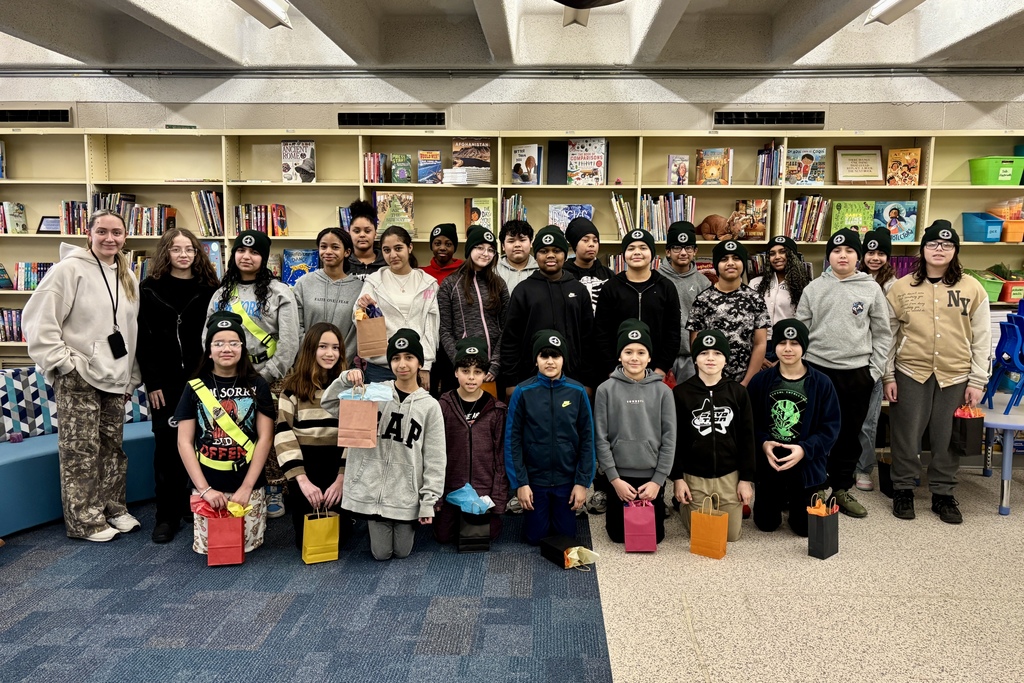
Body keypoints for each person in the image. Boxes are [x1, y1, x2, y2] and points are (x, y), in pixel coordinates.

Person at [22, 209, 143, 542]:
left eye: (116, 232)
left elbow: (130, 330)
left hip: (116, 378)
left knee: (112, 449)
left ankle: (113, 509)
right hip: (80, 376)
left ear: (125, 237)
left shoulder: (127, 275)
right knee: (80, 451)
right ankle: (85, 522)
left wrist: (132, 377)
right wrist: (64, 363)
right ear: (88, 233)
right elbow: (38, 321)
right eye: (102, 231)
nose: (109, 238)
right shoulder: (68, 270)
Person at [885, 220, 991, 524]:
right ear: (923, 249)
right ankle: (903, 488)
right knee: (906, 434)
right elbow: (889, 335)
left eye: (946, 245)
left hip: (955, 374)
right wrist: (888, 375)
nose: (939, 249)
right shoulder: (902, 287)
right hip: (910, 371)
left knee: (947, 437)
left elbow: (982, 337)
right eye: (933, 244)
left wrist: (978, 379)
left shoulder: (972, 287)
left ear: (955, 250)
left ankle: (943, 493)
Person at [321, 329, 447, 560]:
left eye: (409, 357)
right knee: (381, 553)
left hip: (405, 494)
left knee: (402, 551)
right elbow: (329, 403)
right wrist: (343, 380)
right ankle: (377, 518)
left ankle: (400, 519)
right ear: (389, 363)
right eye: (396, 358)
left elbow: (436, 459)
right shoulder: (373, 393)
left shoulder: (430, 406)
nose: (402, 364)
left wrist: (428, 501)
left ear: (420, 362)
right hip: (372, 491)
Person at [795, 228, 892, 519]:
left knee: (849, 435)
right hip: (817, 372)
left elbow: (883, 333)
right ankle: (814, 486)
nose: (842, 255)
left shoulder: (870, 288)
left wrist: (874, 371)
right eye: (836, 251)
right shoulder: (814, 288)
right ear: (829, 257)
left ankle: (840, 488)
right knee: (813, 431)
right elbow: (801, 331)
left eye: (849, 251)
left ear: (857, 257)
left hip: (856, 373)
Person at [207, 229, 299, 519]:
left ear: (264, 258)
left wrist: (267, 374)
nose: (247, 257)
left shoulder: (281, 292)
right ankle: (241, 485)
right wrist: (224, 371)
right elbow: (207, 337)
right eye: (241, 251)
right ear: (233, 255)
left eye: (255, 252)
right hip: (230, 374)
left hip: (271, 374)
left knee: (269, 433)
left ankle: (274, 487)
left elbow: (289, 341)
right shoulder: (221, 294)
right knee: (232, 432)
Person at [137, 227, 219, 544]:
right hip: (166, 384)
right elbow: (144, 340)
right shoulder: (149, 288)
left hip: (204, 381)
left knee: (207, 445)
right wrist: (153, 382)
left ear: (197, 254)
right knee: (168, 450)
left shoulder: (211, 288)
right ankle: (166, 517)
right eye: (176, 249)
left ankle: (195, 504)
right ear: (166, 253)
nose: (183, 255)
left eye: (189, 249)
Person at [175, 312, 276, 555]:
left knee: (247, 547)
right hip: (207, 483)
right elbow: (184, 442)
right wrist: (204, 489)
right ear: (209, 350)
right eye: (218, 343)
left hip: (247, 482)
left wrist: (247, 487)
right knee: (211, 549)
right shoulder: (195, 386)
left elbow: (265, 437)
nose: (226, 349)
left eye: (234, 342)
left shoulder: (258, 385)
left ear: (243, 348)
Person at [748, 319, 841, 537]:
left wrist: (805, 449)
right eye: (782, 343)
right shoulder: (760, 382)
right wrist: (762, 442)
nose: (788, 349)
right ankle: (776, 498)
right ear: (774, 347)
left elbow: (831, 427)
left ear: (804, 347)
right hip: (772, 460)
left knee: (805, 530)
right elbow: (750, 423)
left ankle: (800, 498)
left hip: (805, 460)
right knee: (766, 524)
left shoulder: (822, 383)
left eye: (795, 343)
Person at [505, 329, 595, 545]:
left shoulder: (578, 392)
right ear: (536, 360)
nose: (550, 362)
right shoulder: (522, 392)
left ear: (564, 359)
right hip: (535, 481)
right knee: (535, 538)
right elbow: (512, 440)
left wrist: (582, 482)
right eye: (544, 356)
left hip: (567, 480)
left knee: (566, 538)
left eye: (555, 356)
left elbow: (587, 439)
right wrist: (520, 484)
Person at [595, 320, 676, 545]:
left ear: (649, 357)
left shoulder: (663, 391)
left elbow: (670, 438)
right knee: (617, 536)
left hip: (651, 476)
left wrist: (658, 481)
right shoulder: (605, 390)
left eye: (641, 352)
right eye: (628, 351)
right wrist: (614, 479)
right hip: (619, 477)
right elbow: (600, 437)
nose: (634, 357)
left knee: (655, 538)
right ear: (619, 356)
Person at [671, 330, 755, 542]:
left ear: (725, 359)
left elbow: (747, 439)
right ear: (695, 359)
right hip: (695, 476)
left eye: (717, 353)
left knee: (730, 536)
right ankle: (685, 507)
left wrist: (745, 479)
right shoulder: (681, 393)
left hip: (729, 475)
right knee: (702, 535)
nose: (710, 358)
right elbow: (676, 440)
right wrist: (678, 478)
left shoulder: (737, 392)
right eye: (704, 353)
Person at [275, 323, 352, 552]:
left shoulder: (347, 390)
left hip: (337, 467)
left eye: (336, 348)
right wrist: (303, 481)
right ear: (310, 349)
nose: (330, 353)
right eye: (323, 347)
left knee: (340, 541)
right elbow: (283, 434)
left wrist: (341, 480)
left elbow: (354, 437)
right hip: (305, 468)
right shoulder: (292, 389)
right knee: (306, 542)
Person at [499, 225, 594, 396]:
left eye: (556, 250)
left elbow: (588, 339)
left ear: (565, 254)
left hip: (572, 379)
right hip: (529, 378)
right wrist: (511, 381)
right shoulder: (523, 290)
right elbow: (511, 339)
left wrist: (587, 380)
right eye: (544, 251)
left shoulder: (579, 290)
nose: (550, 255)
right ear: (536, 256)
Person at [434, 337, 509, 544]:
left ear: (485, 374)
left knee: (487, 535)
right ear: (456, 372)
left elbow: (501, 457)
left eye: (477, 371)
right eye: (465, 371)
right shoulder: (443, 406)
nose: (471, 377)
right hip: (452, 489)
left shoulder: (496, 410)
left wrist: (498, 499)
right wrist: (437, 497)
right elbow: (434, 455)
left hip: (483, 491)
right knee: (444, 537)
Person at [354, 225, 440, 385]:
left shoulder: (428, 284)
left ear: (410, 247)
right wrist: (363, 309)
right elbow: (359, 320)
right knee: (380, 410)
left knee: (416, 410)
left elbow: (431, 328)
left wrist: (426, 364)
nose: (393, 255)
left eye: (398, 248)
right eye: (387, 250)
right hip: (380, 366)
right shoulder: (374, 282)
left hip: (415, 365)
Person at [593, 228, 681, 381]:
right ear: (624, 254)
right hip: (617, 372)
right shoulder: (611, 287)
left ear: (652, 253)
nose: (637, 252)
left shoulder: (666, 287)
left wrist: (661, 367)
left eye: (643, 248)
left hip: (655, 372)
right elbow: (601, 332)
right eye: (631, 248)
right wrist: (610, 369)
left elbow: (672, 331)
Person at [686, 240, 770, 386]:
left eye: (736, 258)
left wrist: (747, 382)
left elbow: (760, 343)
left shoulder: (755, 299)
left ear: (743, 263)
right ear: (716, 265)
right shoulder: (703, 299)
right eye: (724, 259)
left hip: (746, 381)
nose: (730, 263)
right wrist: (706, 379)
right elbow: (695, 344)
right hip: (710, 380)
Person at [437, 226, 509, 395]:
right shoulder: (450, 284)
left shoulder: (499, 284)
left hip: (492, 370)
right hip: (461, 372)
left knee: (490, 418)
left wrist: (496, 363)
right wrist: (460, 363)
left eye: (491, 250)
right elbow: (444, 329)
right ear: (469, 249)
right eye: (480, 247)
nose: (485, 253)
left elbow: (507, 327)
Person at [854, 228, 899, 492]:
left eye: (881, 253)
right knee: (842, 417)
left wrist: (883, 368)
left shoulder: (894, 286)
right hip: (850, 360)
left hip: (876, 362)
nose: (875, 258)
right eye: (870, 252)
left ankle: (863, 468)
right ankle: (841, 464)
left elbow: (890, 330)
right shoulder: (852, 279)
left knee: (869, 420)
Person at [293, 227, 362, 369]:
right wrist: (308, 355)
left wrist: (341, 360)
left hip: (342, 367)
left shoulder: (359, 288)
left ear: (347, 252)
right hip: (306, 365)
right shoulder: (303, 283)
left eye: (335, 247)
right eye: (323, 247)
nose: (328, 252)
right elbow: (296, 326)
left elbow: (356, 333)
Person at [658, 221, 711, 384]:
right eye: (676, 248)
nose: (683, 253)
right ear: (667, 251)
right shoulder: (655, 279)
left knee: (688, 404)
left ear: (695, 251)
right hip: (660, 356)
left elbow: (708, 322)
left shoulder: (704, 283)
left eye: (688, 247)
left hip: (692, 356)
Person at [748, 235, 809, 368]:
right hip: (758, 346)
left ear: (792, 255)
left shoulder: (805, 287)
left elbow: (806, 325)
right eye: (772, 253)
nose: (777, 257)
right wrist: (757, 355)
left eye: (783, 252)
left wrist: (784, 358)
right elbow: (747, 321)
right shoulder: (754, 284)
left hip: (789, 346)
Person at [422, 223, 464, 396]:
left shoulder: (463, 271)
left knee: (451, 389)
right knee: (427, 390)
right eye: (437, 243)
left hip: (453, 340)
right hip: (429, 340)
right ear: (431, 245)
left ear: (454, 247)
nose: (442, 248)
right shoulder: (422, 274)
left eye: (448, 243)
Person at [562, 216, 614, 312]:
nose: (591, 244)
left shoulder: (608, 274)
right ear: (575, 245)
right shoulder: (563, 274)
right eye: (585, 240)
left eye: (595, 240)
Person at [345, 199, 387, 280]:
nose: (362, 235)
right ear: (349, 233)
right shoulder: (343, 262)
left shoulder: (387, 262)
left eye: (367, 231)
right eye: (356, 231)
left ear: (375, 233)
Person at [495, 219, 538, 293]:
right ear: (503, 246)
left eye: (522, 240)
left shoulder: (540, 269)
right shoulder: (494, 270)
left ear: (531, 243)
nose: (517, 245)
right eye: (511, 241)